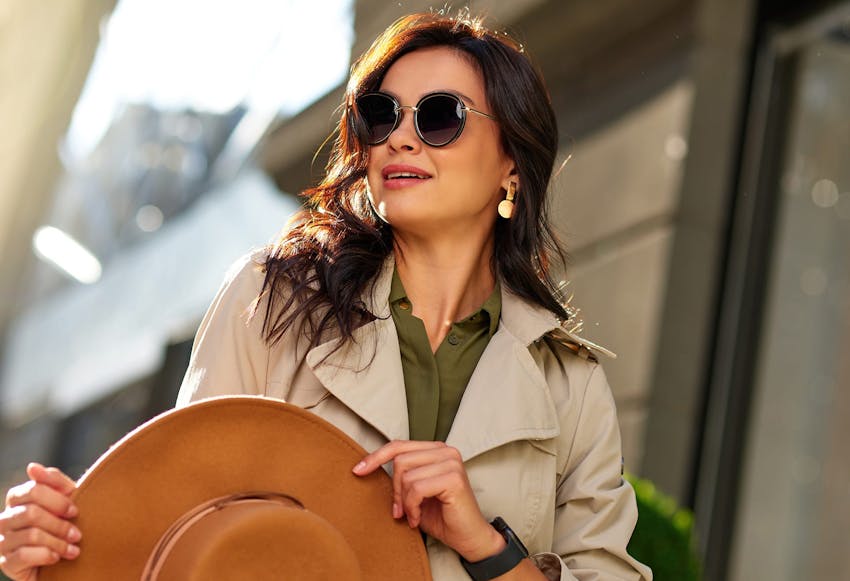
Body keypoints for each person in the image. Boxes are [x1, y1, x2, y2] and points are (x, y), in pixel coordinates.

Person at [0, 11, 652, 581]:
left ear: (512, 163)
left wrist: (485, 544)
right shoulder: (272, 299)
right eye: (381, 114)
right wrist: (54, 553)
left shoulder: (569, 383)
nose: (400, 137)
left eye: (440, 117)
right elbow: (172, 528)